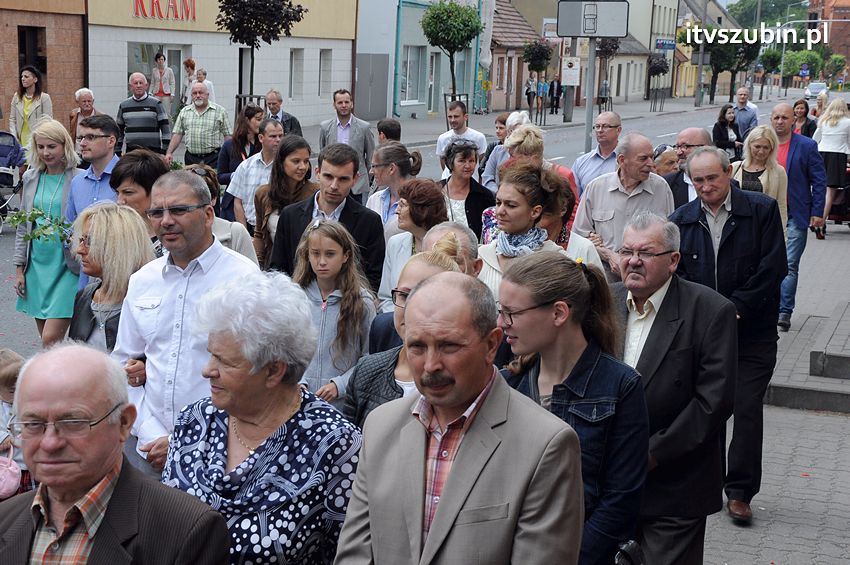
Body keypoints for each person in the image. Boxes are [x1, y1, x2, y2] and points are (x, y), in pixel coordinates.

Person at [334, 272, 584, 565]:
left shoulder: (545, 446)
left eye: (449, 346)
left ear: (492, 345)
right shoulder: (380, 427)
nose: (430, 365)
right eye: (416, 346)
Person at [163, 271, 361, 564]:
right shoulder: (195, 420)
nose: (207, 370)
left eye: (225, 361)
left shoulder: (336, 444)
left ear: (273, 371)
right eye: (210, 354)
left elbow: (346, 555)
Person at [0, 343, 230, 563]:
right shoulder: (5, 520)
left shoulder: (187, 530)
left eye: (73, 422)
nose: (49, 443)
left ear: (123, 422)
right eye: (32, 424)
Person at [500, 251, 648, 565]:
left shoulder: (621, 386)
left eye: (511, 313)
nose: (502, 324)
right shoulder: (507, 384)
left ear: (558, 313)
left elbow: (620, 502)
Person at [112, 171, 259, 477]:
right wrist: (152, 433)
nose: (165, 221)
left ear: (208, 215)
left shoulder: (244, 280)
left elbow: (256, 376)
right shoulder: (142, 282)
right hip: (149, 450)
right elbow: (123, 367)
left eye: (178, 210)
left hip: (220, 453)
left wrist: (186, 442)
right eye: (156, 212)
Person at [669, 147, 787, 526]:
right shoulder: (682, 220)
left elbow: (773, 268)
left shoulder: (761, 209)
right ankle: (708, 482)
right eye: (697, 180)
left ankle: (740, 492)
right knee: (708, 409)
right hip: (704, 335)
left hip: (752, 333)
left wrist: (735, 308)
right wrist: (707, 316)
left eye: (712, 178)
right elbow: (679, 276)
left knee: (747, 408)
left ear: (728, 173)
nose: (705, 187)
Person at [611, 212, 737, 565]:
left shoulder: (710, 310)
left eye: (646, 253)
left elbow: (713, 402)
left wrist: (651, 454)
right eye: (626, 251)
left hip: (675, 483)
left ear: (673, 261)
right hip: (610, 483)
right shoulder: (604, 301)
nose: (633, 260)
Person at [345, 237, 462, 427]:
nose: (411, 307)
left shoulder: (464, 379)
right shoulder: (366, 370)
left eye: (425, 296)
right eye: (404, 295)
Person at [477, 161, 601, 301]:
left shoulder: (557, 260)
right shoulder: (483, 255)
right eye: (498, 202)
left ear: (535, 212)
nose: (499, 211)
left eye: (511, 205)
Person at [269, 143, 386, 292]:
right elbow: (278, 268)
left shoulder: (369, 221)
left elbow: (374, 277)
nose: (334, 186)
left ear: (355, 179)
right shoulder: (290, 215)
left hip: (347, 306)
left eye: (343, 179)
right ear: (317, 173)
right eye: (328, 177)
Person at [291, 220, 376, 410]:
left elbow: (370, 358)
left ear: (345, 256)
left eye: (330, 254)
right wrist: (298, 380)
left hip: (341, 407)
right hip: (299, 404)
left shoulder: (361, 302)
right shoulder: (295, 297)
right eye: (315, 253)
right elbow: (285, 349)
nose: (322, 261)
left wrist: (340, 384)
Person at [13, 119, 83, 347]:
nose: (46, 152)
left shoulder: (79, 178)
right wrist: (19, 269)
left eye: (51, 146)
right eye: (41, 146)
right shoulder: (30, 177)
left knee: (51, 338)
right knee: (49, 344)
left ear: (65, 146)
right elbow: (23, 226)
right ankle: (58, 380)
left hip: (66, 267)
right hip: (37, 266)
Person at [573, 132, 674, 279]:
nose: (651, 164)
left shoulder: (661, 188)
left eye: (651, 157)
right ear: (622, 160)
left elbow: (671, 239)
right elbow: (579, 238)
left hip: (648, 276)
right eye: (643, 159)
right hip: (606, 277)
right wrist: (608, 255)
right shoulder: (596, 188)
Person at [68, 202, 154, 353]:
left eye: (89, 242)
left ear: (119, 247)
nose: (79, 250)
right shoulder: (85, 296)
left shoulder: (150, 301)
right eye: (81, 240)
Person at [770, 103, 826, 330]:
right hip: (767, 214)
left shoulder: (806, 145)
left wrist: (817, 213)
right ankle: (766, 307)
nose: (780, 121)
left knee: (789, 264)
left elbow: (819, 181)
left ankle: (784, 311)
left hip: (795, 213)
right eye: (776, 117)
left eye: (784, 117)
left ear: (794, 120)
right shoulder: (763, 144)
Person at [482, 123, 580, 240]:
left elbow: (573, 217)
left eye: (514, 156)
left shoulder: (562, 175)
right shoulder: (511, 172)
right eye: (509, 155)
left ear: (533, 158)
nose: (509, 160)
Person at [377, 179, 448, 312]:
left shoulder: (448, 245)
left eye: (402, 205)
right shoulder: (395, 244)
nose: (396, 211)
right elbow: (386, 297)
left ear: (420, 209)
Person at [253, 135, 317, 268]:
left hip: (307, 267)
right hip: (274, 265)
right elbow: (259, 234)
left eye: (306, 161)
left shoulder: (315, 192)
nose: (302, 167)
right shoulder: (263, 194)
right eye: (296, 161)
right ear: (281, 162)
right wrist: (258, 266)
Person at [185, 164, 259, 263]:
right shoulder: (171, 234)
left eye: (197, 198)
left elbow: (253, 276)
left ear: (213, 199)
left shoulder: (235, 233)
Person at [225, 118, 284, 233]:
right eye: (272, 136)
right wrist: (245, 234)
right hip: (252, 228)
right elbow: (237, 202)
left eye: (281, 136)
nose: (278, 140)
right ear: (261, 138)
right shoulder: (246, 166)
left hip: (278, 230)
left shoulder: (286, 166)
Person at [109, 147, 170, 256]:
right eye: (117, 193)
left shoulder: (174, 239)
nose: (119, 201)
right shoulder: (114, 235)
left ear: (155, 191)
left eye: (128, 192)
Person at [319, 89, 375, 199]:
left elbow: (370, 157)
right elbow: (322, 155)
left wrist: (368, 178)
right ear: (334, 105)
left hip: (356, 185)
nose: (343, 105)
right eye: (340, 103)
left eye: (346, 102)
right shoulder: (325, 127)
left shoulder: (364, 127)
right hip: (333, 183)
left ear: (352, 104)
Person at [731, 125, 789, 231]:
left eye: (766, 147)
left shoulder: (778, 172)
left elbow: (781, 205)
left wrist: (782, 235)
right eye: (757, 147)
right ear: (749, 145)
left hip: (764, 228)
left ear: (772, 149)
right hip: (737, 228)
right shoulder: (734, 168)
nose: (761, 151)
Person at [67, 115, 120, 224]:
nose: (82, 144)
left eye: (90, 137)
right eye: (80, 138)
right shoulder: (77, 182)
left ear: (111, 141)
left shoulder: (129, 177)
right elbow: (68, 228)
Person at [366, 141, 423, 241]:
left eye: (374, 166)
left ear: (391, 168)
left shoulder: (419, 201)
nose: (371, 171)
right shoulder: (374, 199)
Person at [166, 81, 231, 167]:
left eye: (200, 92)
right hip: (191, 159)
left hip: (213, 158)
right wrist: (169, 153)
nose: (197, 95)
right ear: (191, 96)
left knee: (211, 180)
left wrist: (229, 155)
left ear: (207, 94)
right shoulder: (184, 112)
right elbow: (177, 134)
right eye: (194, 93)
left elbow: (228, 135)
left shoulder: (220, 111)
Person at [440, 138, 494, 239]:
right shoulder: (436, 191)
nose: (468, 165)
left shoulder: (485, 196)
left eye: (471, 161)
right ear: (450, 163)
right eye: (462, 161)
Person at [218, 103, 264, 220]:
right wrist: (236, 175)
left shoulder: (262, 146)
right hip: (233, 202)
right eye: (258, 119)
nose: (262, 123)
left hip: (254, 202)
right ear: (247, 120)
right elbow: (220, 177)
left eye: (263, 119)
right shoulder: (229, 145)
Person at [813, 98, 850, 228]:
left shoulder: (823, 121)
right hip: (838, 155)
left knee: (819, 188)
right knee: (830, 191)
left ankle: (813, 218)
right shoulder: (848, 123)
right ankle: (821, 221)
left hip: (822, 153)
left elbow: (815, 139)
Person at [0, 349, 31, 497]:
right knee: (10, 501)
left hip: (29, 464)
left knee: (31, 497)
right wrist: (2, 437)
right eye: (12, 391)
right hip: (8, 465)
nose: (18, 394)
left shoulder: (30, 401)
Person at [116, 72, 171, 155]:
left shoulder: (156, 104)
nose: (138, 85)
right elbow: (118, 131)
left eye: (141, 83)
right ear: (130, 87)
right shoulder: (124, 106)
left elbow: (165, 129)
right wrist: (117, 152)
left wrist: (164, 151)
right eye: (135, 83)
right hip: (132, 153)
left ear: (146, 86)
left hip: (153, 153)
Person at [572, 111, 622, 195]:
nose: (600, 130)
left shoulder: (626, 161)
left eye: (605, 126)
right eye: (597, 126)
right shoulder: (581, 162)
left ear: (618, 130)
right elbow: (573, 197)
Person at [435, 100, 487, 181]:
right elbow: (443, 162)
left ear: (465, 117)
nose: (452, 120)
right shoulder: (442, 138)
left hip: (471, 184)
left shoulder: (479, 137)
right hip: (448, 183)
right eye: (450, 117)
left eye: (456, 116)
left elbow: (480, 162)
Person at [481, 110, 531, 192]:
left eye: (517, 131)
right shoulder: (498, 151)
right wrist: (497, 192)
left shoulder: (531, 153)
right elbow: (487, 176)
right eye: (510, 130)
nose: (512, 134)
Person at [663, 127, 713, 209]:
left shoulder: (725, 183)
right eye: (677, 147)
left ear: (705, 148)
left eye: (685, 146)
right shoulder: (667, 184)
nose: (679, 152)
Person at [9, 65, 52, 146]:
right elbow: (12, 119)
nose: (22, 79)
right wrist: (14, 138)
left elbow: (47, 122)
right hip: (19, 142)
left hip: (37, 141)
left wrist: (38, 139)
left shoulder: (44, 98)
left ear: (35, 79)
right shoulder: (17, 97)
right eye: (22, 76)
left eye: (26, 76)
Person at [68, 87, 104, 167]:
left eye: (89, 101)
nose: (87, 104)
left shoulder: (100, 117)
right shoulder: (73, 114)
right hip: (77, 154)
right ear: (77, 102)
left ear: (93, 101)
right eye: (84, 101)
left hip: (93, 155)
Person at [479, 112, 509, 177]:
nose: (497, 131)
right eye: (496, 128)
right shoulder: (492, 146)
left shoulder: (517, 148)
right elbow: (481, 168)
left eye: (501, 128)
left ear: (510, 129)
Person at [149, 52, 176, 120]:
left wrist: (172, 94)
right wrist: (150, 92)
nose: (161, 61)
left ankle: (167, 129)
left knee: (167, 113)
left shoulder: (169, 70)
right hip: (156, 94)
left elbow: (172, 83)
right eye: (159, 59)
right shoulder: (154, 70)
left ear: (164, 60)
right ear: (156, 61)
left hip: (166, 95)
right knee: (156, 112)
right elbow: (152, 83)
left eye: (162, 59)